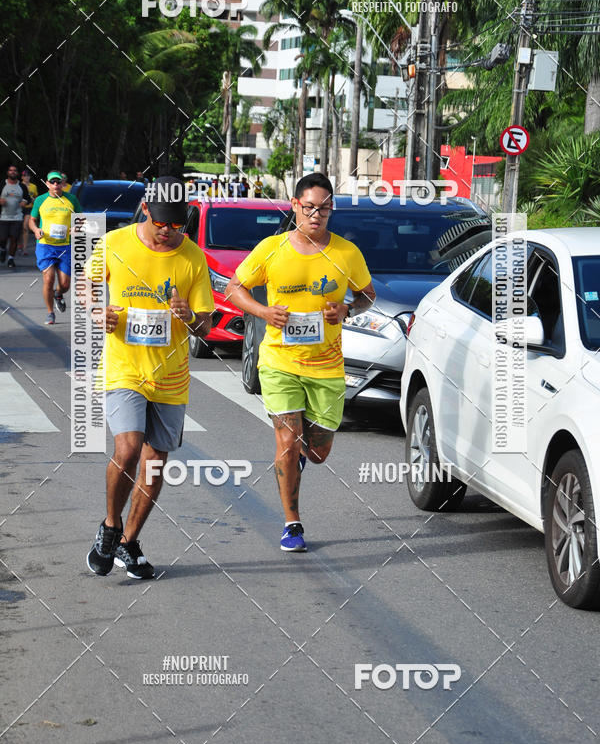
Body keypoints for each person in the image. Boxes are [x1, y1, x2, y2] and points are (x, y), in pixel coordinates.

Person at [226, 172, 375, 551]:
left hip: (326, 366)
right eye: (309, 207)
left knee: (319, 451)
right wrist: (263, 312)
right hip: (279, 361)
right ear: (295, 206)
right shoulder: (272, 248)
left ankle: (296, 463)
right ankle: (292, 523)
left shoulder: (346, 253)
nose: (316, 215)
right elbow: (233, 288)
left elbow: (367, 296)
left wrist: (346, 309)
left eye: (324, 208)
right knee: (288, 442)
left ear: (331, 211)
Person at [85, 176, 214, 580]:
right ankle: (109, 527)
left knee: (155, 463)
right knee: (128, 448)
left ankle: (130, 541)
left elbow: (206, 325)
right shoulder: (115, 245)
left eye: (177, 225)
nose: (168, 231)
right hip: (124, 368)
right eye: (162, 223)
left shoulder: (193, 258)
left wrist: (189, 317)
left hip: (171, 377)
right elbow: (89, 289)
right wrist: (95, 312)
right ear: (146, 210)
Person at [29, 170, 82, 324]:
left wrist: (77, 228)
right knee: (49, 279)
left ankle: (58, 294)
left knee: (65, 284)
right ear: (47, 184)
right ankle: (50, 313)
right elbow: (32, 220)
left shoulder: (71, 199)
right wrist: (35, 229)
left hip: (65, 246)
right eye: (53, 182)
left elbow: (81, 219)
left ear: (62, 184)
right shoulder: (40, 200)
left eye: (58, 182)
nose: (56, 184)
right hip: (45, 246)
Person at [0, 165, 30, 268]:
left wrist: (24, 202)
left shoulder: (22, 186)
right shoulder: (2, 184)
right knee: (2, 239)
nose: (12, 172)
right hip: (3, 217)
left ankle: (11, 259)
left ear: (17, 173)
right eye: (10, 170)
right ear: (7, 172)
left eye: (14, 170)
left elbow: (28, 198)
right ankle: (3, 249)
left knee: (14, 239)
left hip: (17, 217)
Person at [20, 168, 38, 255]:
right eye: (24, 175)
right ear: (22, 177)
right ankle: (19, 244)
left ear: (30, 177)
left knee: (25, 227)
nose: (26, 177)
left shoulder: (33, 186)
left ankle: (24, 249)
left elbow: (36, 198)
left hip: (29, 208)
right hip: (19, 208)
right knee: (18, 228)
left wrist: (33, 199)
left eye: (27, 175)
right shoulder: (19, 185)